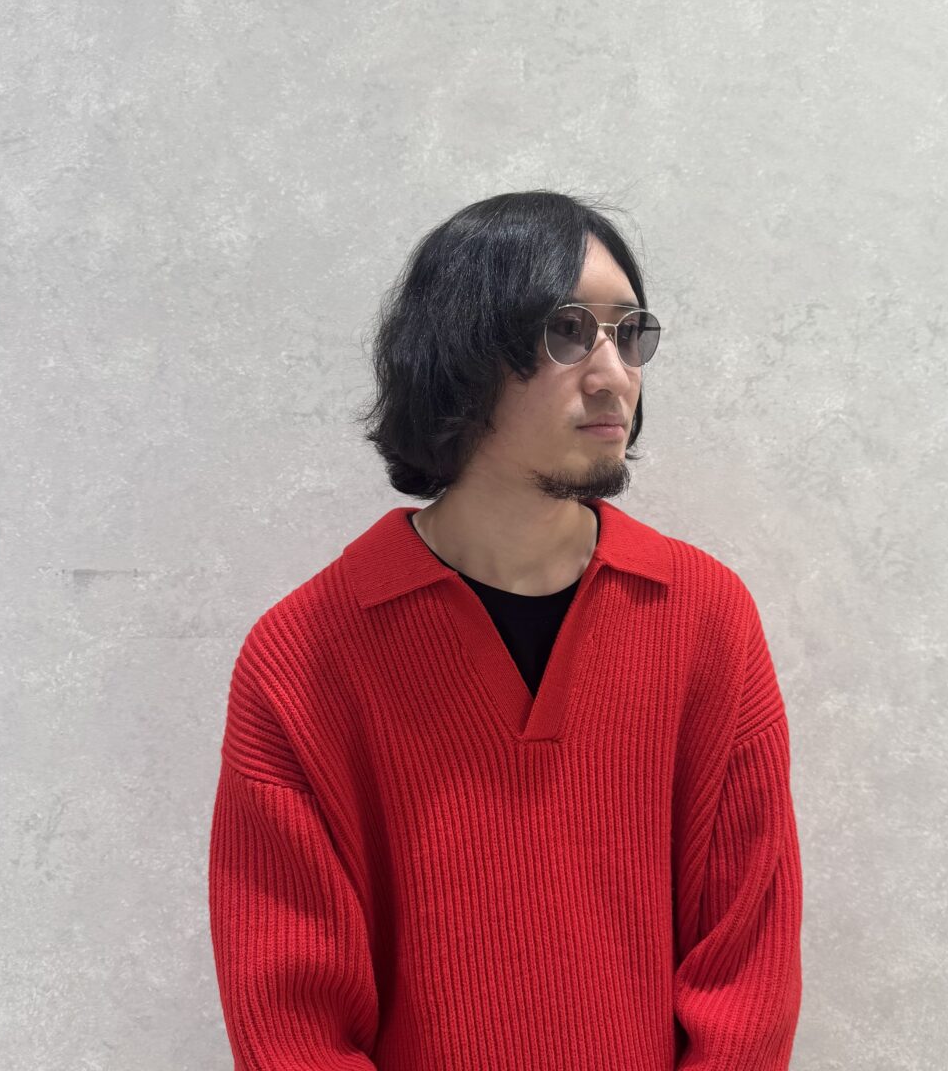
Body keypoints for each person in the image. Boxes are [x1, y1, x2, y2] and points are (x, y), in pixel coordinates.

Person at [208, 189, 803, 1070]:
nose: (614, 374)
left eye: (630, 333)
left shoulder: (704, 618)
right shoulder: (302, 660)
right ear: (461, 352)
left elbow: (747, 973)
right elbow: (290, 1021)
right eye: (568, 331)